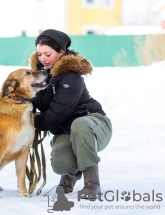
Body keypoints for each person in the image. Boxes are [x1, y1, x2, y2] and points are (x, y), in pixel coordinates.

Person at [29, 29, 112, 199]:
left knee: (79, 124)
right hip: (67, 131)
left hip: (94, 125)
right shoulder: (44, 75)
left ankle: (92, 184)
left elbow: (55, 114)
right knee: (61, 164)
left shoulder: (71, 77)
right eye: (39, 54)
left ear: (61, 51)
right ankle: (68, 178)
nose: (42, 58)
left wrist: (30, 122)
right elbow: (37, 102)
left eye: (47, 54)